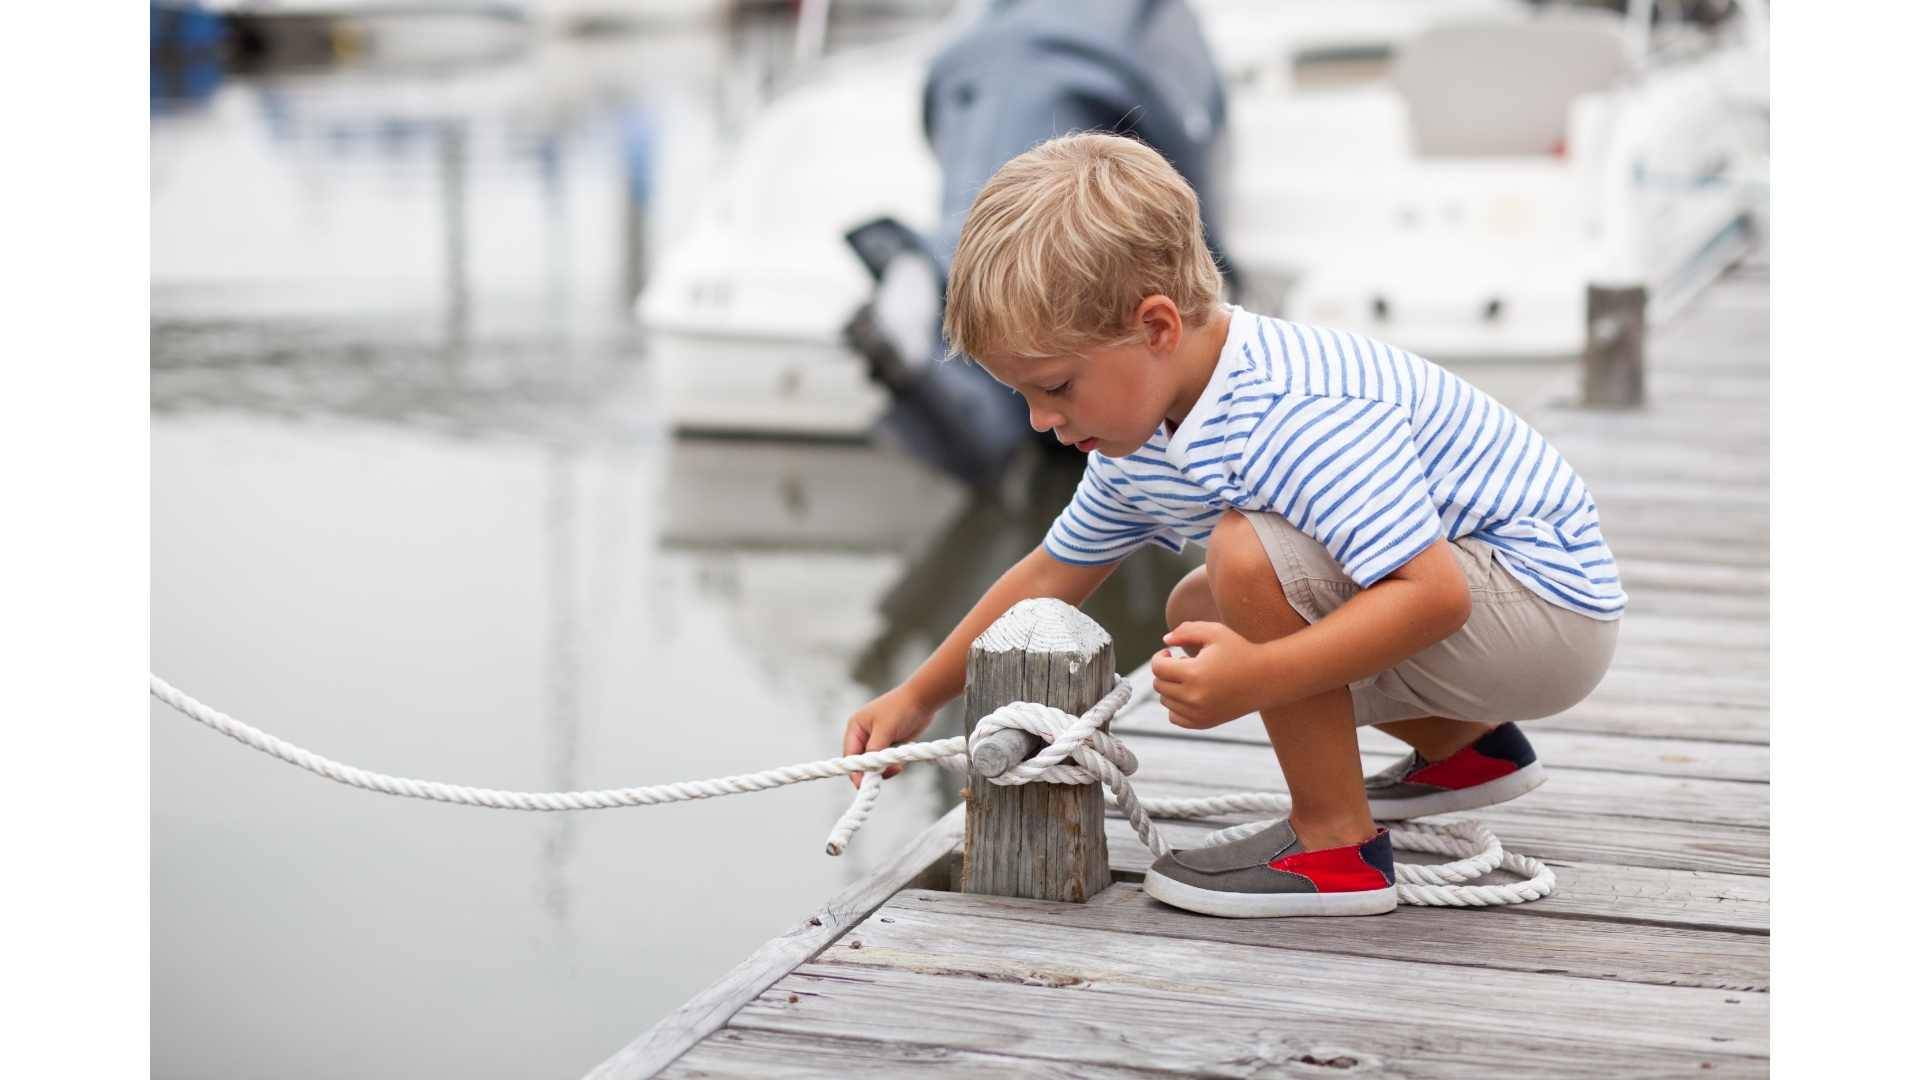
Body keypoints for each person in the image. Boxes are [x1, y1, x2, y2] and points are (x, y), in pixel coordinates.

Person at [840, 132, 1625, 918]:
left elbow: (1433, 597)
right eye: (1024, 397)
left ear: (1155, 328)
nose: (1043, 421)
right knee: (1200, 606)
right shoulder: (1141, 429)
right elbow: (1050, 573)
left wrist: (1260, 678)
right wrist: (916, 696)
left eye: (1057, 386)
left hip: (1549, 611)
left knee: (1243, 557)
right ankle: (1468, 749)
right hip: (1500, 614)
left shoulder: (1294, 408)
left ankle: (1335, 850)